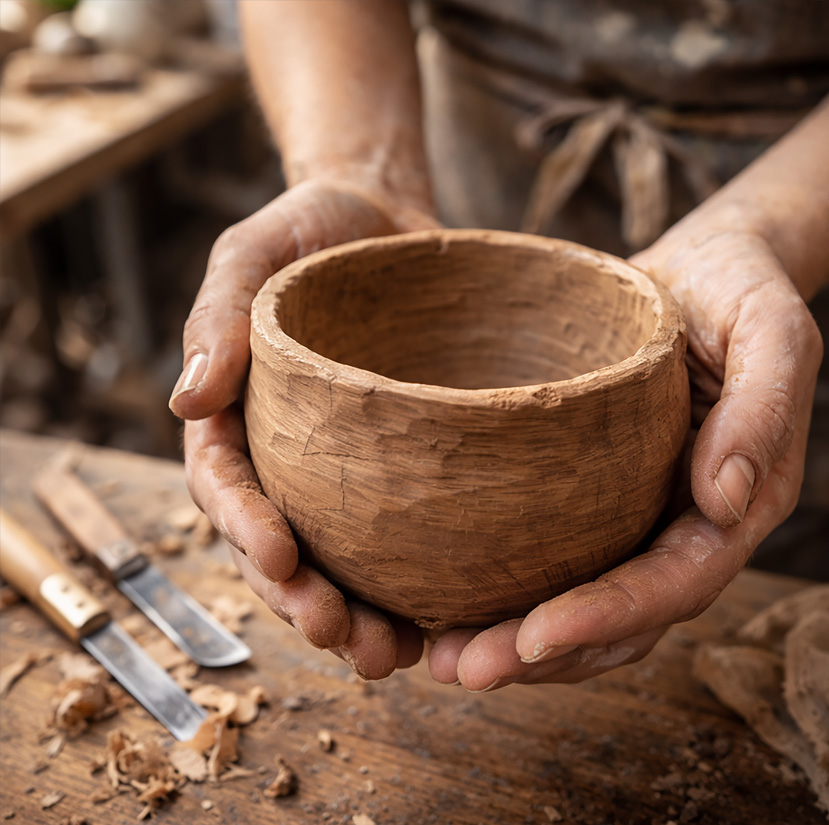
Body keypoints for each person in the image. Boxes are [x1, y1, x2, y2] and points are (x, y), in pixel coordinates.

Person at [169, 1, 829, 691]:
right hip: (475, 154)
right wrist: (359, 171)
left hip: (773, 267)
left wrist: (767, 229)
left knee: (765, 604)